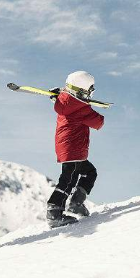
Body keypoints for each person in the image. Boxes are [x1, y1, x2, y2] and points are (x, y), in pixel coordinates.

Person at [46, 71, 104, 228]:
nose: (91, 94)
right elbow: (98, 122)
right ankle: (54, 212)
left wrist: (58, 96)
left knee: (89, 172)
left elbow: (65, 104)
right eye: (90, 91)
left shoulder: (66, 103)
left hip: (68, 148)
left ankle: (76, 203)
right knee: (68, 179)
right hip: (73, 149)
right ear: (82, 90)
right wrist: (88, 105)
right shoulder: (81, 108)